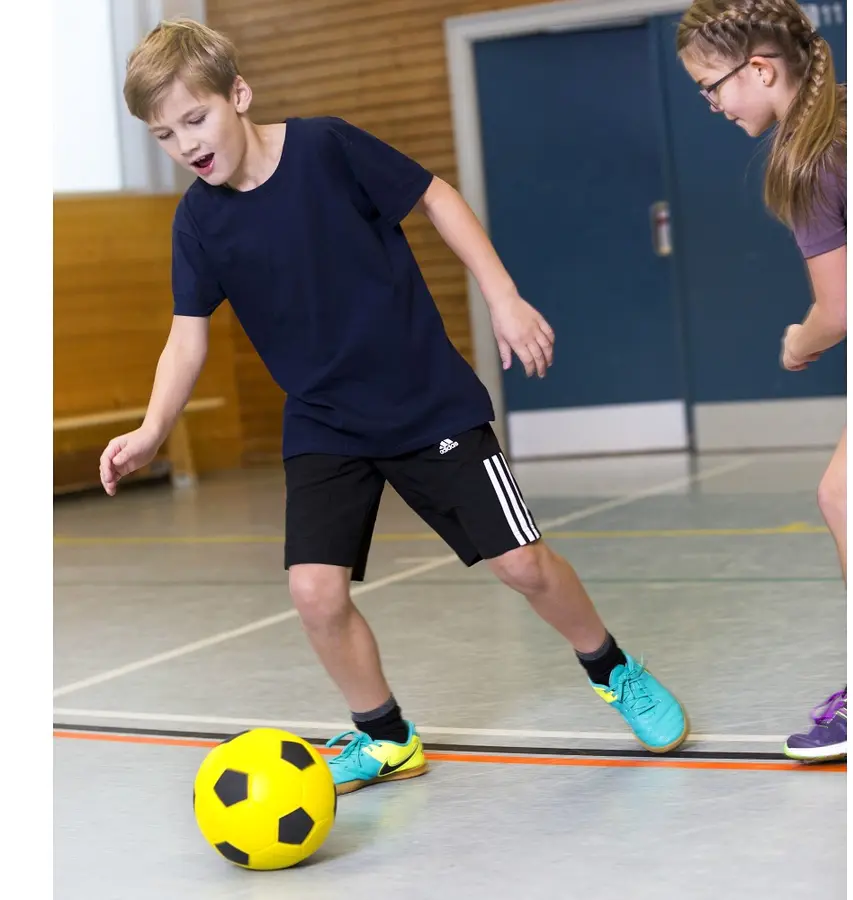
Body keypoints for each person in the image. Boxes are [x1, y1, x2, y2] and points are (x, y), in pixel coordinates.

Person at [99, 18, 689, 794]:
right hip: (323, 420)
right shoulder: (199, 221)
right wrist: (152, 428)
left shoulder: (325, 148)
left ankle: (613, 669)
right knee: (314, 591)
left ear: (237, 94)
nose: (187, 144)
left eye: (196, 119)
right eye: (164, 135)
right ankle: (384, 736)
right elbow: (186, 340)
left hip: (426, 402)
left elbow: (436, 197)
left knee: (523, 563)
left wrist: (503, 295)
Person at [676, 0, 846, 762]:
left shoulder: (809, 160)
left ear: (762, 69)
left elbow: (843, 306)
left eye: (711, 87)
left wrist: (799, 341)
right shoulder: (844, 122)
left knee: (847, 494)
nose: (709, 105)